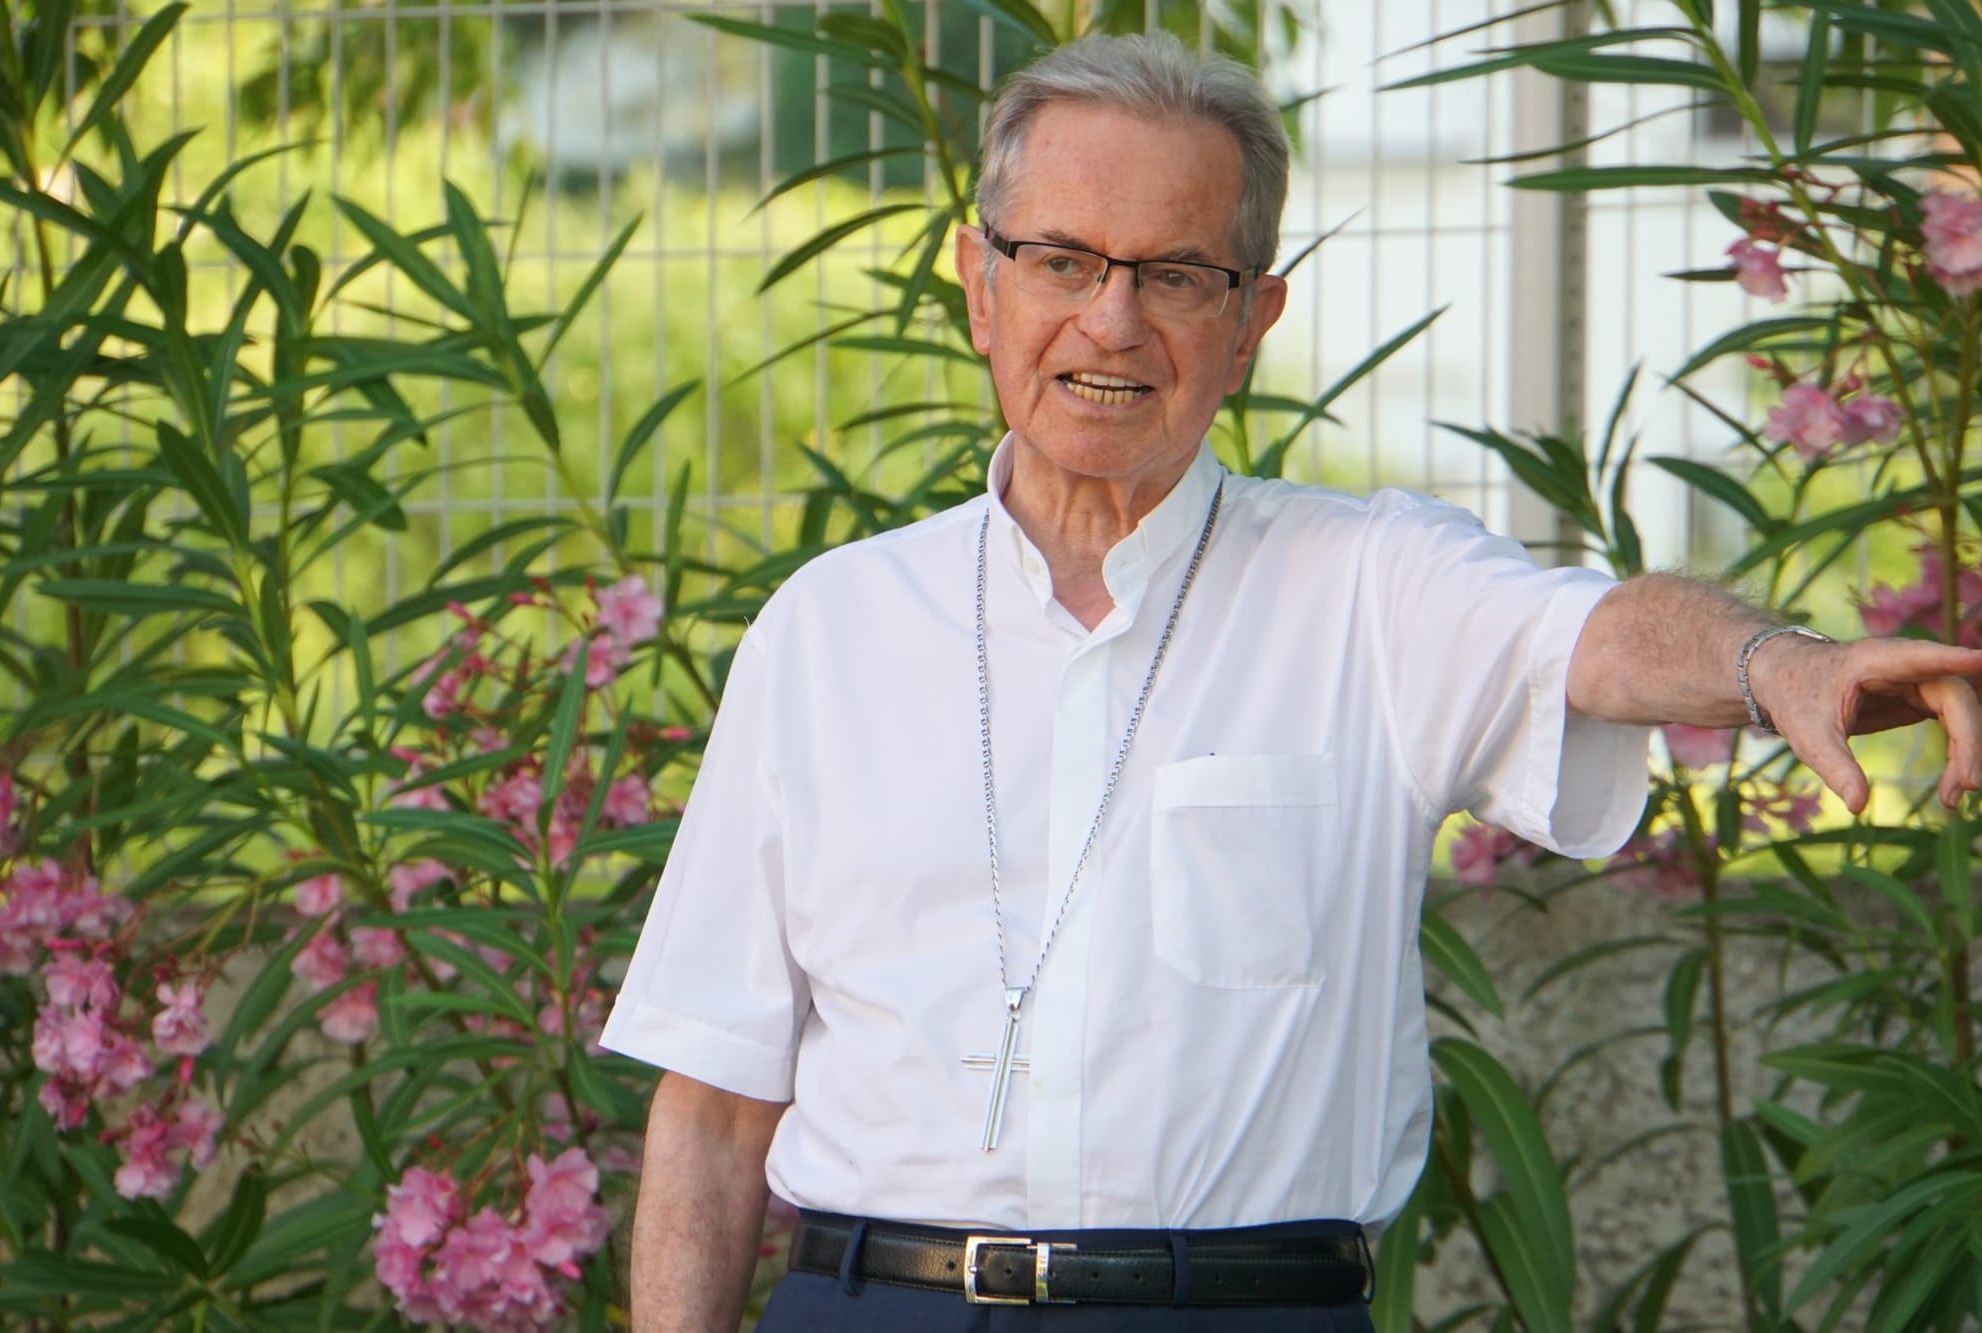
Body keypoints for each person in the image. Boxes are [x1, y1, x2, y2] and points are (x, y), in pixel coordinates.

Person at [600, 32, 1982, 1331]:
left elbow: (1600, 638)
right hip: (875, 1299)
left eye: (1176, 274)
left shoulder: (1370, 587)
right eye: (1063, 261)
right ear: (980, 284)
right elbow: (715, 1106)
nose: (1113, 319)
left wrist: (1776, 661)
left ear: (1252, 316)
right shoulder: (829, 630)